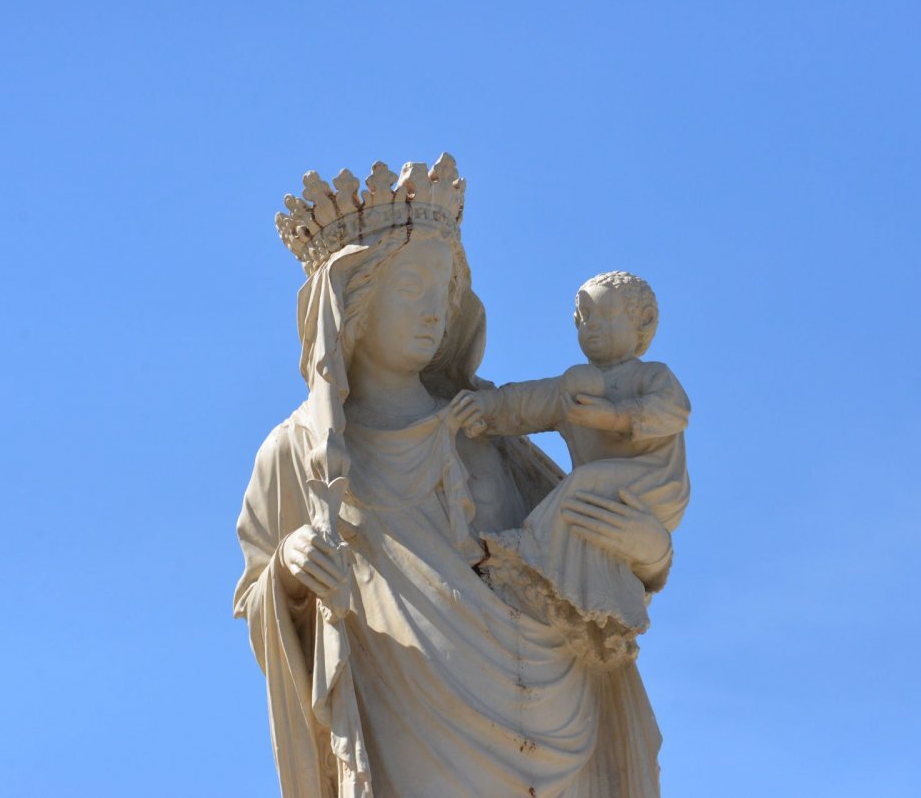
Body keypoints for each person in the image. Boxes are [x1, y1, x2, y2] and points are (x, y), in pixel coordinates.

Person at [234, 156, 674, 798]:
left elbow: (585, 553)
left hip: (551, 701)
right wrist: (289, 573)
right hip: (407, 710)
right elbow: (257, 595)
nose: (432, 311)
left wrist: (651, 552)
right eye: (410, 289)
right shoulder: (300, 449)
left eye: (442, 291)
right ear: (353, 299)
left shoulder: (483, 425)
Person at [451, 271, 690, 646]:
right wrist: (485, 407)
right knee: (583, 500)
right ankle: (580, 593)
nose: (591, 328)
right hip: (600, 487)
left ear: (642, 322)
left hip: (654, 483)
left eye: (605, 316)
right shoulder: (575, 385)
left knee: (581, 484)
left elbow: (673, 412)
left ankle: (529, 556)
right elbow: (526, 403)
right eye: (584, 318)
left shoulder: (651, 376)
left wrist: (613, 416)